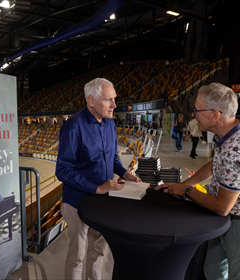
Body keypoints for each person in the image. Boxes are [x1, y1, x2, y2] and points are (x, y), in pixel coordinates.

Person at [55, 78, 141, 280]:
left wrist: (124, 173)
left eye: (114, 99)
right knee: (77, 256)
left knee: (98, 252)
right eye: (109, 100)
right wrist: (96, 188)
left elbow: (112, 158)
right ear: (91, 101)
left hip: (102, 201)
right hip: (77, 201)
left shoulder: (110, 123)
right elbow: (63, 170)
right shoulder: (73, 126)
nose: (114, 105)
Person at [155, 83, 240, 280]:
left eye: (197, 111)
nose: (194, 115)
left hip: (236, 225)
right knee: (213, 270)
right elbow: (215, 164)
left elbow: (222, 207)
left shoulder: (235, 148)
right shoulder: (227, 135)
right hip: (224, 222)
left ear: (215, 115)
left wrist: (186, 192)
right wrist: (187, 184)